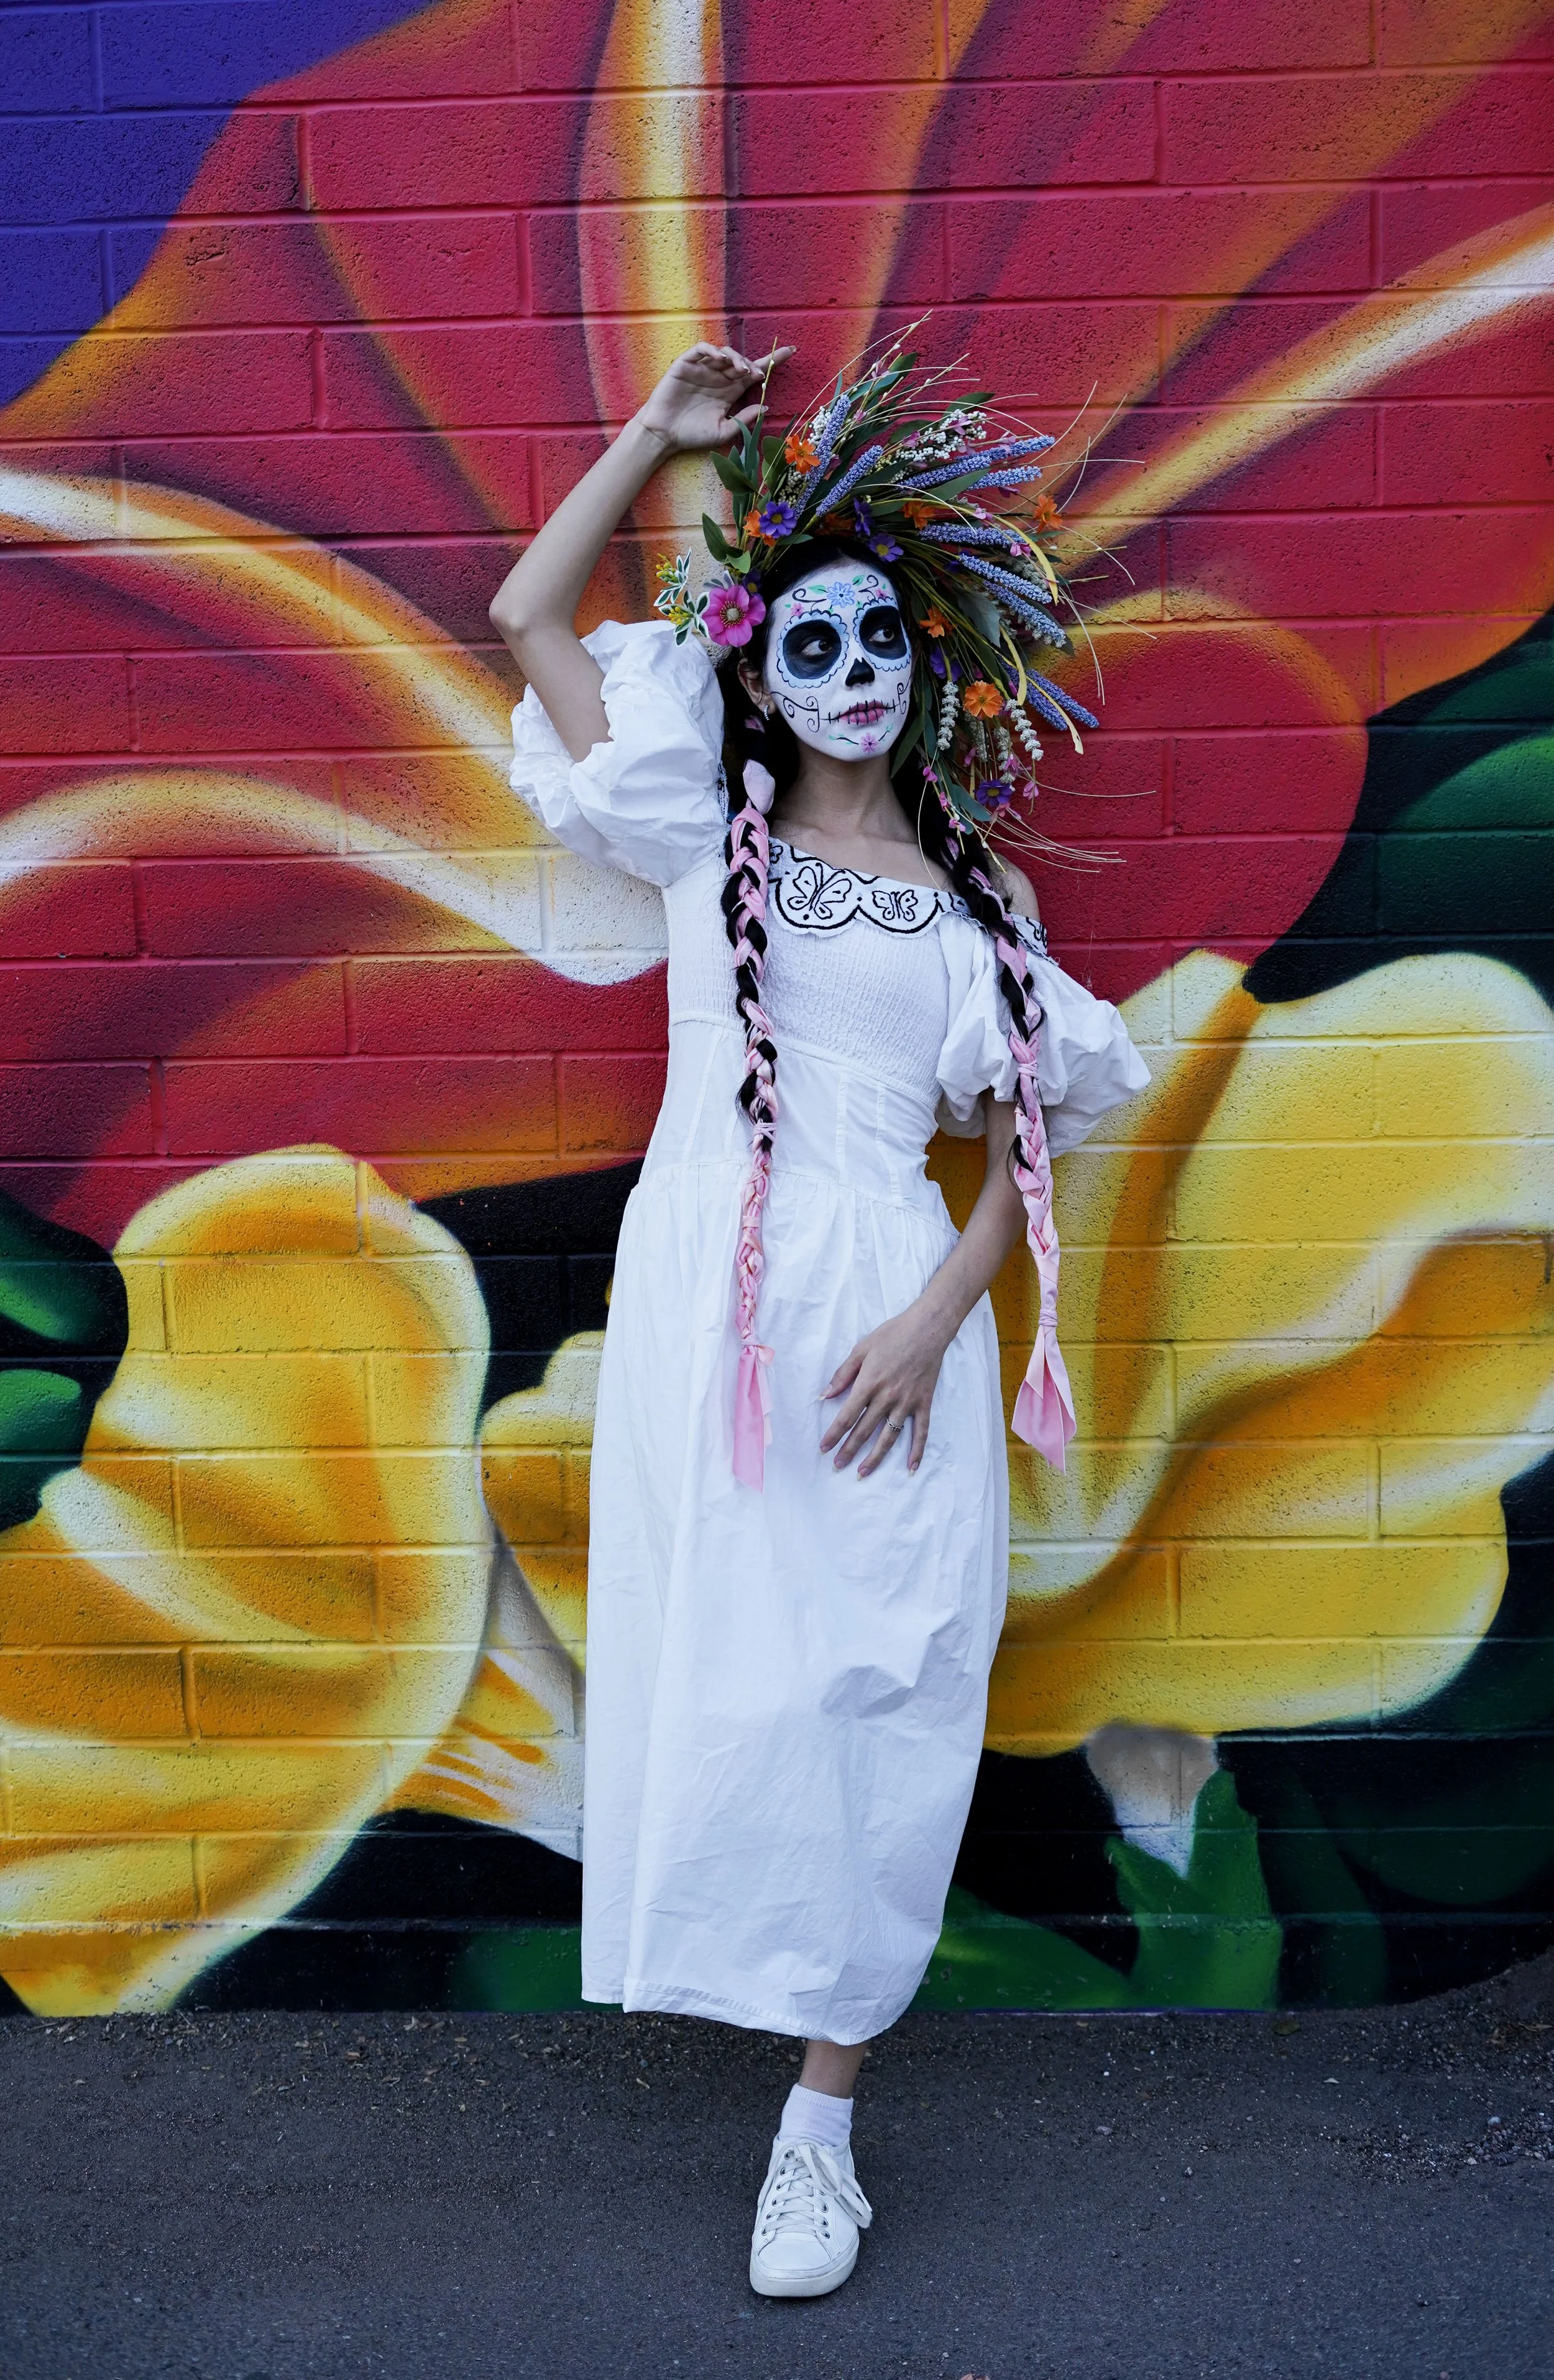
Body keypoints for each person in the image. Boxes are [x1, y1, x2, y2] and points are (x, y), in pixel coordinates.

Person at [489, 340, 1148, 2298]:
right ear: (756, 669)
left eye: (881, 640)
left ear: (921, 661)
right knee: (736, 1680)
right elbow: (527, 613)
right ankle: (752, 2026)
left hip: (882, 1321)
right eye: (809, 639)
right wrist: (662, 445)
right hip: (713, 1297)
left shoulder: (970, 907)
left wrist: (944, 1310)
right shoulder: (706, 830)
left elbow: (1046, 1134)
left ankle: (818, 2132)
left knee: (881, 1687)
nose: (849, 671)